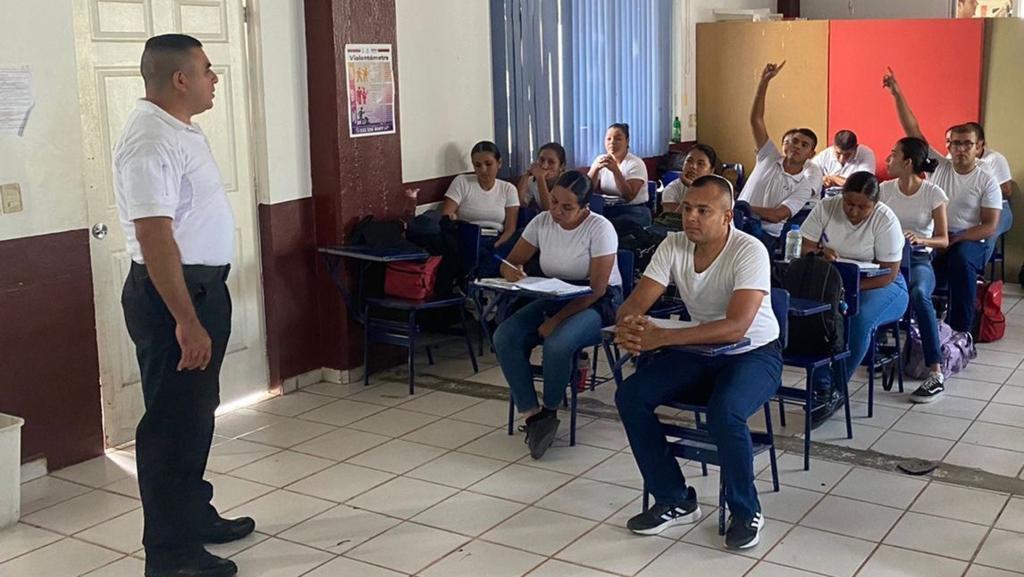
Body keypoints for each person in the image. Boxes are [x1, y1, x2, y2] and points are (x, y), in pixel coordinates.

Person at [114, 34, 254, 577]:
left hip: (200, 289)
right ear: (180, 79)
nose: (214, 79)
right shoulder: (150, 141)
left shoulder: (179, 129)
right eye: (207, 69)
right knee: (171, 428)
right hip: (173, 298)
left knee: (195, 415)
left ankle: (194, 515)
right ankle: (170, 555)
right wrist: (186, 321)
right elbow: (154, 237)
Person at [614, 175, 782, 550]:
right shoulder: (673, 244)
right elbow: (635, 303)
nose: (690, 217)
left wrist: (662, 337)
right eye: (687, 208)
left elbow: (736, 327)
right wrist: (630, 325)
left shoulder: (749, 250)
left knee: (725, 411)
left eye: (703, 211)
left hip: (755, 354)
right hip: (700, 350)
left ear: (726, 216)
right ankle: (674, 498)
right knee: (631, 395)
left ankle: (745, 510)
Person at [493, 171, 622, 459]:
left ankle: (550, 410)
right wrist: (509, 271)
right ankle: (532, 415)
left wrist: (556, 320)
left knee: (559, 343)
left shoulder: (600, 228)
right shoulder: (541, 221)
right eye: (553, 202)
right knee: (505, 336)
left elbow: (598, 289)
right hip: (554, 293)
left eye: (567, 207)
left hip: (596, 301)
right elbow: (509, 262)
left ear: (584, 208)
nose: (556, 211)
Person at [884, 68, 1000, 334]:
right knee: (906, 256)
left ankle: (960, 331)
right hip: (935, 238)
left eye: (967, 144)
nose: (960, 149)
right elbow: (913, 131)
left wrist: (955, 238)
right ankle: (907, 323)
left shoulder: (986, 180)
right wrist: (897, 94)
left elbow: (989, 225)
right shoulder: (939, 167)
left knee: (960, 258)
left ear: (979, 147)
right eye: (955, 144)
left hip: (969, 241)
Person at [800, 172, 909, 424]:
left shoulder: (885, 219)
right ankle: (821, 385)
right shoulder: (826, 208)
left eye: (863, 207)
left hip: (882, 287)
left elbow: (889, 274)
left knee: (858, 318)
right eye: (849, 204)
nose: (854, 212)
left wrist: (847, 291)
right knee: (815, 317)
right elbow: (804, 247)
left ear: (875, 204)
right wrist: (820, 252)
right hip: (835, 284)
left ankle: (836, 388)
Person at [879, 138, 949, 402]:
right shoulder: (884, 190)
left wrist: (921, 239)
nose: (888, 159)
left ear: (908, 162)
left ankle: (935, 371)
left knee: (920, 294)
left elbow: (943, 239)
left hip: (918, 258)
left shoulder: (933, 193)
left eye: (893, 154)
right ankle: (872, 352)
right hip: (886, 259)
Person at [739, 62, 824, 253]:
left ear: (811, 154)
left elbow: (777, 215)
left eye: (804, 145)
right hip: (735, 224)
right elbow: (756, 120)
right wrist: (764, 82)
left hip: (764, 235)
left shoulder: (804, 186)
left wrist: (743, 207)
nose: (797, 147)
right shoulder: (768, 156)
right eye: (794, 141)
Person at [443, 140, 521, 277]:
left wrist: (499, 244)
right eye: (477, 165)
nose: (483, 170)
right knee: (476, 252)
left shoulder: (508, 189)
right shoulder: (462, 182)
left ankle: (482, 274)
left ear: (499, 163)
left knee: (519, 237)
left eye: (488, 164)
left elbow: (510, 228)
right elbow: (446, 215)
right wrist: (452, 217)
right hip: (470, 237)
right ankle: (485, 273)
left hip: (497, 238)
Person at [588, 122, 651, 233]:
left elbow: (629, 196)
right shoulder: (601, 159)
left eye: (618, 139)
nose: (612, 142)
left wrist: (615, 171)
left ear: (627, 141)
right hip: (608, 210)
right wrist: (595, 169)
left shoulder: (636, 163)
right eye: (608, 139)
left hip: (634, 211)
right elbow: (586, 191)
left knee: (606, 228)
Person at [961, 122, 1014, 247]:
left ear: (980, 144)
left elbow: (1007, 191)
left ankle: (980, 259)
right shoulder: (955, 157)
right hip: (969, 207)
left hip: (999, 208)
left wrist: (983, 190)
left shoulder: (994, 159)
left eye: (969, 143)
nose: (962, 148)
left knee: (986, 234)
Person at [661, 144, 719, 214]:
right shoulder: (672, 189)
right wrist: (692, 189)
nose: (693, 166)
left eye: (700, 163)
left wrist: (693, 188)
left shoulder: (722, 188)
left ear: (711, 171)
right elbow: (673, 218)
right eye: (689, 161)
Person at [812, 130, 877, 189]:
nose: (841, 159)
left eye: (847, 154)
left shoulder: (866, 153)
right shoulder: (825, 154)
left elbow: (865, 184)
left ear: (856, 148)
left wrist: (833, 178)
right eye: (838, 153)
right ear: (833, 146)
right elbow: (809, 175)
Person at [516, 142, 567, 212]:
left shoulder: (567, 182)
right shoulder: (532, 181)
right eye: (541, 160)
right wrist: (527, 174)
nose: (544, 166)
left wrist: (540, 178)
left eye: (551, 162)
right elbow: (517, 204)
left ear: (561, 166)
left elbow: (550, 210)